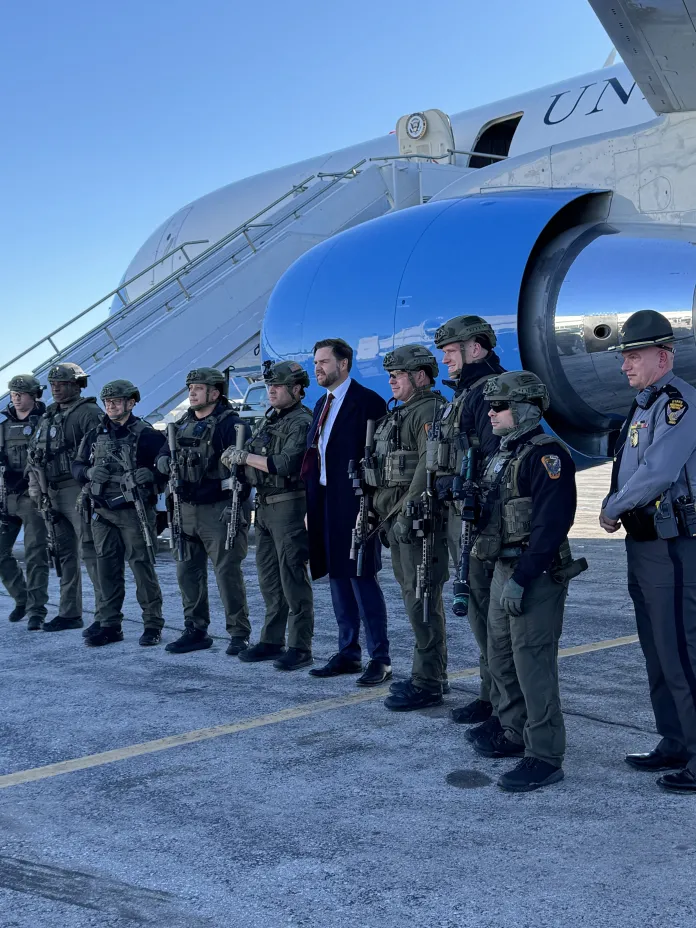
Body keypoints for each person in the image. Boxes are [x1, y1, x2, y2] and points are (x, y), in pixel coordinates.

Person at [470, 371, 581, 792]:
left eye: (498, 406)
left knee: (533, 663)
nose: (491, 412)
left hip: (534, 572)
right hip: (503, 568)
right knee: (500, 654)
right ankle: (514, 730)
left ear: (525, 409)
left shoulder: (547, 456)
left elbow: (552, 525)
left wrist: (523, 577)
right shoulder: (504, 453)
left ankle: (545, 754)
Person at [600, 310, 696, 794]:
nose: (625, 366)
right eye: (624, 357)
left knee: (681, 649)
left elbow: (658, 471)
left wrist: (612, 505)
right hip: (644, 543)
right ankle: (674, 740)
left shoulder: (679, 403)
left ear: (664, 356)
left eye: (633, 356)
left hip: (674, 546)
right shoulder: (644, 405)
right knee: (657, 651)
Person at [362, 346, 449, 710]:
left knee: (422, 601)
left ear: (421, 376)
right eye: (391, 374)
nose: (392, 380)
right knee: (415, 600)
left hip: (414, 525)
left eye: (399, 374)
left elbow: (427, 466)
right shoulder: (398, 414)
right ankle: (427, 676)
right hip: (394, 523)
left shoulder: (428, 411)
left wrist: (404, 512)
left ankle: (428, 681)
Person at [430, 315, 506, 729]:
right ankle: (489, 695)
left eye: (450, 350)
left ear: (476, 348)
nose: (444, 359)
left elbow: (496, 459)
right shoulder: (466, 394)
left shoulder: (492, 392)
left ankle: (503, 705)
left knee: (491, 616)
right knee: (477, 611)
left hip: (484, 518)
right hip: (465, 514)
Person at [303, 338, 391, 686]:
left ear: (344, 364)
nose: (318, 369)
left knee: (362, 578)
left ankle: (380, 658)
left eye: (324, 362)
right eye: (315, 363)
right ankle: (348, 651)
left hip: (357, 503)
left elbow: (380, 459)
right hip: (326, 501)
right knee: (338, 579)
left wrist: (374, 508)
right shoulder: (320, 405)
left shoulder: (367, 402)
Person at [221, 361, 314, 671]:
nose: (271, 390)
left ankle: (300, 646)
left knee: (292, 577)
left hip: (288, 505)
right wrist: (238, 462)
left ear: (297, 390)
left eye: (279, 386)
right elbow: (253, 457)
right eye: (270, 385)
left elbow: (286, 463)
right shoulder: (271, 420)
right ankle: (272, 640)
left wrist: (245, 457)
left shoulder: (301, 421)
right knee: (269, 578)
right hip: (264, 504)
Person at [156, 368, 251, 654]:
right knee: (188, 573)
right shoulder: (182, 422)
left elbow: (243, 472)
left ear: (215, 392)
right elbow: (162, 454)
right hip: (184, 511)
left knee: (227, 574)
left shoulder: (230, 425)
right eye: (190, 388)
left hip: (217, 511)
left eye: (198, 387)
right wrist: (164, 464)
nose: (192, 393)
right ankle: (195, 629)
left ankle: (238, 633)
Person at [72, 380, 166, 647]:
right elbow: (77, 465)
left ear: (131, 402)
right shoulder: (94, 434)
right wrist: (88, 473)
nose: (111, 405)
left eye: (116, 401)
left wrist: (151, 475)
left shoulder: (147, 434)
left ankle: (152, 624)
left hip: (134, 513)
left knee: (142, 569)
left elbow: (165, 469)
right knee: (107, 571)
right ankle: (110, 624)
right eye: (107, 401)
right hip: (103, 512)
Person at [27, 362, 103, 631]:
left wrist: (89, 491)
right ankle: (70, 613)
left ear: (77, 385)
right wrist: (37, 490)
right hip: (51, 491)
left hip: (77, 489)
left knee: (92, 551)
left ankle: (105, 616)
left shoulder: (90, 414)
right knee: (64, 555)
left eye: (62, 383)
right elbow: (34, 454)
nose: (56, 388)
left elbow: (101, 454)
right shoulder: (48, 416)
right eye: (53, 384)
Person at [0, 375, 49, 630]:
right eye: (13, 393)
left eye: (21, 393)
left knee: (35, 554)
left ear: (34, 395)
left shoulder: (45, 422)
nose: (16, 397)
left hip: (32, 497)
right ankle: (22, 598)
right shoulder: (3, 424)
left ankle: (36, 610)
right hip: (6, 498)